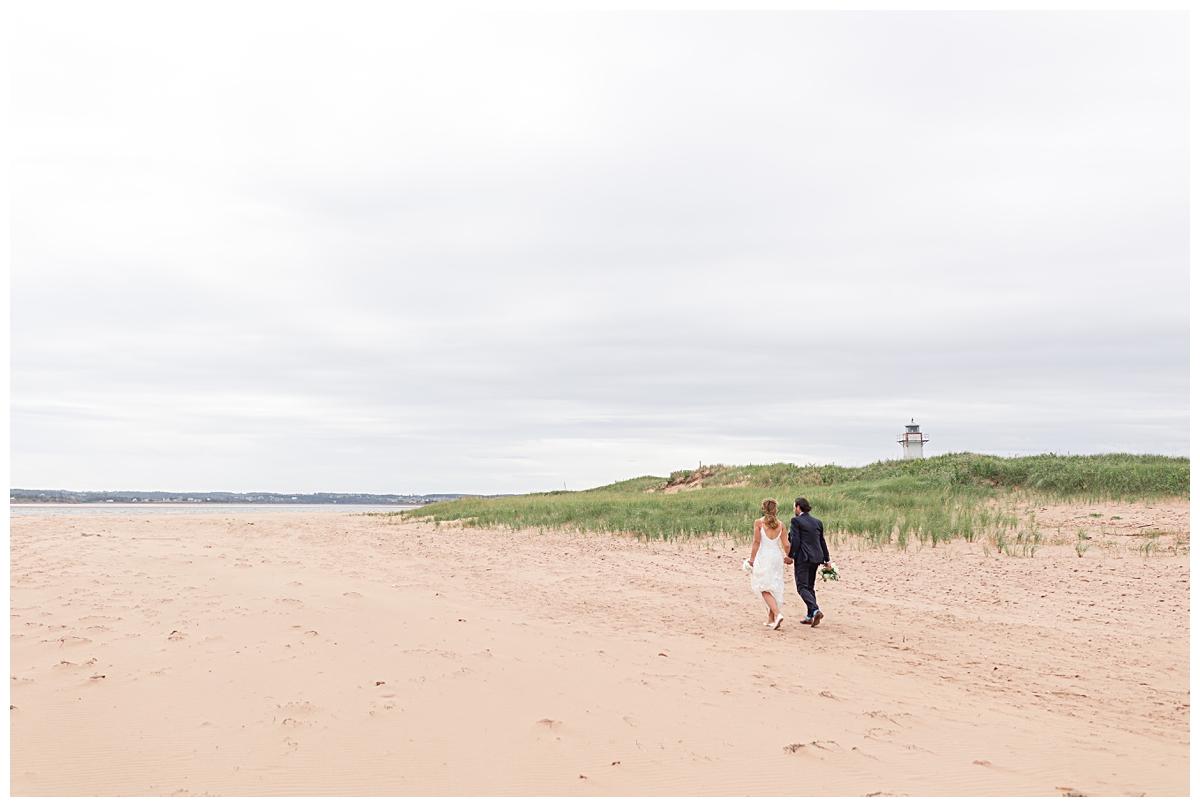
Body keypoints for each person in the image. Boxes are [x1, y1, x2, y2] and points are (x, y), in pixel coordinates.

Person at [787, 497, 831, 627]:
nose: (794, 509)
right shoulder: (817, 522)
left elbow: (796, 540)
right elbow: (822, 541)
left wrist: (791, 556)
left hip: (803, 557)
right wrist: (827, 559)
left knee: (801, 587)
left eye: (794, 507)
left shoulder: (796, 521)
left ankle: (816, 610)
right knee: (810, 587)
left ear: (798, 507)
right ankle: (809, 615)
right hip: (817, 557)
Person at [748, 498, 790, 629]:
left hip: (764, 556)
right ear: (775, 510)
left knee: (764, 587)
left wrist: (751, 559)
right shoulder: (781, 525)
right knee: (773, 586)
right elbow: (786, 544)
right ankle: (770, 619)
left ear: (763, 509)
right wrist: (789, 556)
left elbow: (756, 542)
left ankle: (777, 614)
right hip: (776, 556)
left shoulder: (758, 523)